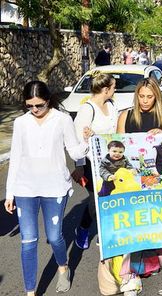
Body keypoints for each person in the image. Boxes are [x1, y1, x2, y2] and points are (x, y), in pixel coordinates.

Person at [5, 81, 92, 295]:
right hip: (25, 188)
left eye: (39, 105)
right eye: (29, 106)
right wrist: (9, 193)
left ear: (48, 100)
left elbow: (74, 152)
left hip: (55, 188)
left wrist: (86, 141)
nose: (35, 110)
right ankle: (30, 291)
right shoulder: (21, 123)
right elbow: (15, 157)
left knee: (54, 237)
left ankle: (63, 267)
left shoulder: (62, 120)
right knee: (28, 241)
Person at [72, 73, 118, 249]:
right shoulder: (87, 109)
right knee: (96, 198)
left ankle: (103, 233)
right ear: (106, 89)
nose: (115, 90)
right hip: (92, 162)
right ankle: (84, 229)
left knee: (109, 195)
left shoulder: (112, 105)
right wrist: (80, 166)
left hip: (111, 160)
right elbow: (78, 140)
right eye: (113, 87)